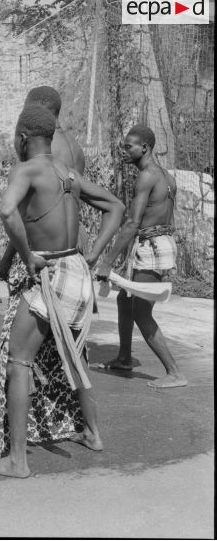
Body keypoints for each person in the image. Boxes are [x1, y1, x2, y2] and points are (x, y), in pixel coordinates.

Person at [0, 103, 124, 478]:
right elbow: (115, 205)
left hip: (49, 272)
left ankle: (17, 461)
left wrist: (27, 256)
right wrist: (93, 253)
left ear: (23, 137)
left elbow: (6, 211)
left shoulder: (26, 169)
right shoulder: (69, 173)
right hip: (76, 270)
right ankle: (93, 434)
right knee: (73, 357)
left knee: (19, 361)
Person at [96, 124, 187, 389]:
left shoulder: (147, 176)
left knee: (141, 312)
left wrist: (107, 260)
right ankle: (125, 358)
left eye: (128, 146)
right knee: (125, 300)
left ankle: (174, 372)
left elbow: (133, 223)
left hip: (152, 246)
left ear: (144, 148)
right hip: (152, 243)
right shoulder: (165, 176)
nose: (123, 151)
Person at [0, 86, 88, 280]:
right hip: (75, 240)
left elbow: (26, 210)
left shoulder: (43, 149)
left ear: (41, 109)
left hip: (50, 246)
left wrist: (8, 258)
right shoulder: (74, 146)